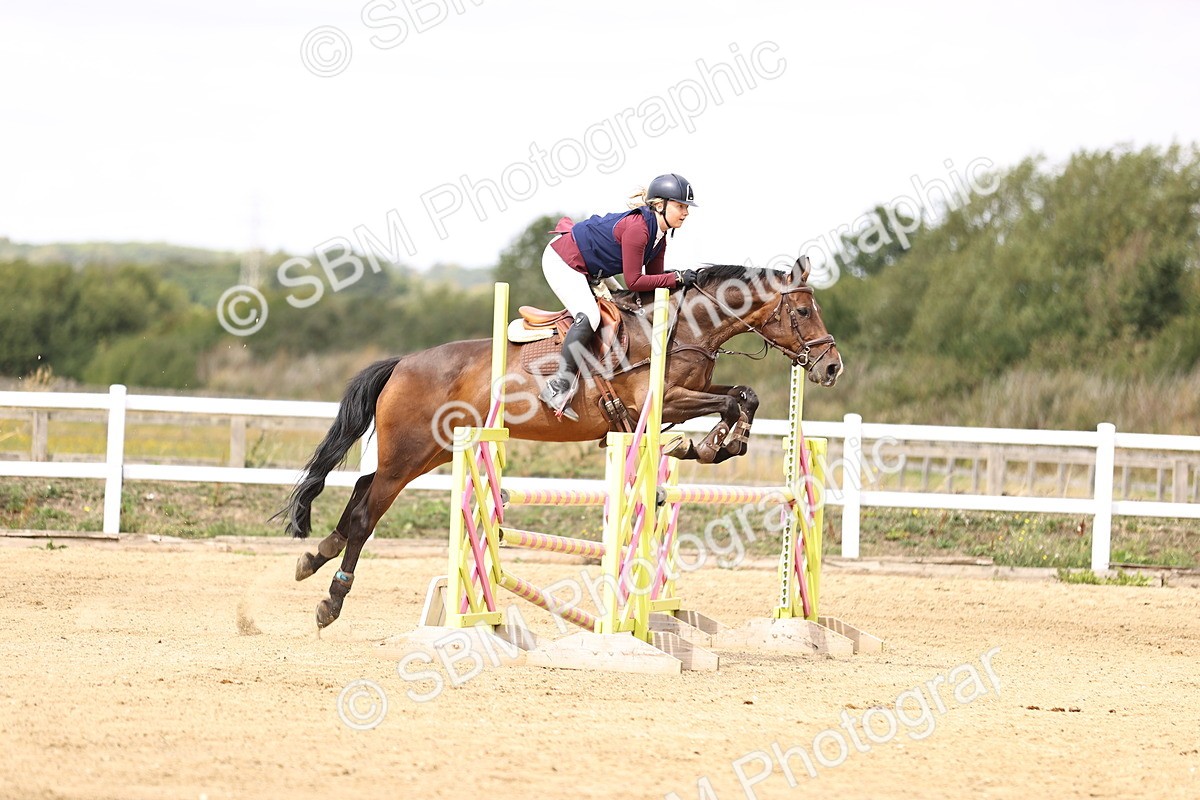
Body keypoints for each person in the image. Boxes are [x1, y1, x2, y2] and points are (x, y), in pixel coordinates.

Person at [538, 173, 701, 421]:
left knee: (625, 308)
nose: (686, 213)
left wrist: (679, 285)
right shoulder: (639, 229)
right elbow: (634, 281)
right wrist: (676, 277)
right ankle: (558, 386)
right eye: (681, 206)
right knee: (590, 316)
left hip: (592, 268)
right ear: (660, 205)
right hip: (563, 260)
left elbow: (652, 286)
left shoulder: (659, 237)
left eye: (686, 207)